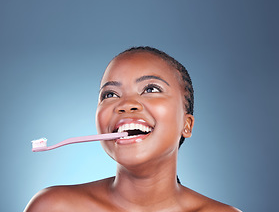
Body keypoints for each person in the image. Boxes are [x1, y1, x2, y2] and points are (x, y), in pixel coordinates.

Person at [25, 46, 241, 211]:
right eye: (110, 94)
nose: (126, 104)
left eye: (151, 88)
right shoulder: (53, 207)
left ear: (187, 124)